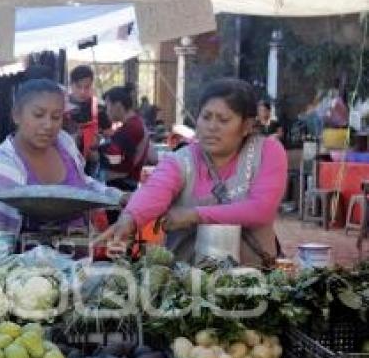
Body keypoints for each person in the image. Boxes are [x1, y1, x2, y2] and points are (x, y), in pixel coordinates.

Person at [102, 78, 288, 267]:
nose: (212, 127)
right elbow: (155, 190)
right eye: (206, 117)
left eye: (223, 120)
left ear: (247, 125)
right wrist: (130, 218)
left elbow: (260, 210)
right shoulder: (181, 159)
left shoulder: (268, 151)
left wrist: (194, 215)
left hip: (253, 281)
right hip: (189, 283)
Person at [0, 79, 125, 234]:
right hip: (23, 275)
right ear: (17, 115)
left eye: (56, 116)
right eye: (38, 114)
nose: (48, 124)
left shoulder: (65, 144)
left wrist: (119, 196)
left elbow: (85, 185)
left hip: (79, 267)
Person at [100, 84, 149, 192]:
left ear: (117, 105)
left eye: (107, 106)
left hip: (121, 185)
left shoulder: (131, 128)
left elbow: (117, 162)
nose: (106, 111)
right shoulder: (136, 124)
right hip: (126, 183)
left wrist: (97, 151)